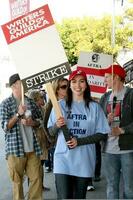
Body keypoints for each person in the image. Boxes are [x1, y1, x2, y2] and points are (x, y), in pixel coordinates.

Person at [47, 69, 110, 199]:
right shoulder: (60, 106)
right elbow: (51, 133)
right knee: (64, 197)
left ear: (86, 85)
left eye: (81, 81)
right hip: (62, 159)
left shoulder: (94, 107)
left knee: (79, 197)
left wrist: (79, 141)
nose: (78, 85)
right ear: (70, 84)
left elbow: (103, 134)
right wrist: (56, 125)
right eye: (74, 81)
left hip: (84, 160)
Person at [0, 74, 42, 200]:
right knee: (17, 183)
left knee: (37, 179)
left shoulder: (30, 102)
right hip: (15, 150)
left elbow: (39, 121)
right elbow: (5, 126)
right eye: (21, 82)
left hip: (32, 148)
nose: (25, 85)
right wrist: (18, 114)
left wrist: (31, 123)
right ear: (14, 86)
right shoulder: (5, 104)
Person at [100, 64, 133, 199]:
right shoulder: (104, 97)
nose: (104, 80)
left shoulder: (131, 95)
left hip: (128, 150)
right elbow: (98, 124)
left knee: (129, 189)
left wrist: (122, 130)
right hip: (108, 150)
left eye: (107, 77)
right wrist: (105, 120)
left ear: (116, 77)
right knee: (111, 187)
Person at [28, 90, 50, 191]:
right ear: (36, 99)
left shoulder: (42, 108)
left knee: (40, 165)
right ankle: (34, 188)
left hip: (42, 138)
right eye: (41, 97)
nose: (43, 99)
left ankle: (40, 185)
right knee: (34, 166)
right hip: (36, 140)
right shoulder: (31, 109)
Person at [44, 77, 68, 173]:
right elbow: (50, 132)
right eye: (64, 86)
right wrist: (57, 125)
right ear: (57, 89)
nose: (68, 88)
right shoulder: (53, 107)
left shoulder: (74, 103)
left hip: (75, 146)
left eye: (69, 86)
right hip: (59, 148)